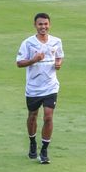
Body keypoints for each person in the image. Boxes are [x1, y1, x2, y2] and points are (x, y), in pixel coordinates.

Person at [16, 13, 64, 164]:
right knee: (32, 116)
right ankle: (32, 142)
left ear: (50, 25)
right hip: (33, 88)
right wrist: (33, 60)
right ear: (35, 25)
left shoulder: (56, 41)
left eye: (45, 24)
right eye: (40, 24)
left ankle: (44, 149)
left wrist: (58, 63)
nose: (43, 27)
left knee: (48, 116)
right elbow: (19, 63)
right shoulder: (28, 43)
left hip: (51, 86)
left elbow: (59, 56)